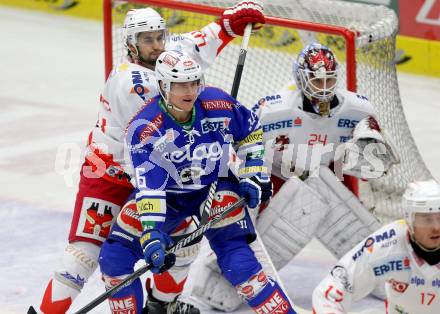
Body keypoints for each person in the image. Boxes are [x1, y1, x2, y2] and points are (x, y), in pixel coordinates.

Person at [32, 2, 265, 313]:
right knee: (84, 254)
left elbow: (201, 40)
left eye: (159, 37)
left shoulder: (171, 54)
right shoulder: (132, 85)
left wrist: (229, 24)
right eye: (147, 40)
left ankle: (161, 305)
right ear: (131, 43)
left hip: (157, 177)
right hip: (111, 174)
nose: (156, 45)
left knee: (184, 247)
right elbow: (154, 147)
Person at [192, 42, 399, 311]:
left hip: (331, 175)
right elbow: (245, 146)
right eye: (316, 78)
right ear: (302, 78)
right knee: (242, 228)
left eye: (329, 78)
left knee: (353, 225)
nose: (323, 86)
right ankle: (221, 279)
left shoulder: (358, 109)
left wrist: (366, 146)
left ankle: (391, 278)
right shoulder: (274, 109)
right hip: (277, 178)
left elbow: (375, 162)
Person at [98, 49, 298, 314]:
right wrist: (152, 234)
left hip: (213, 188)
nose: (190, 90)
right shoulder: (145, 128)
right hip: (168, 197)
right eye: (181, 84)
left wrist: (253, 174)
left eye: (194, 82)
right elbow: (151, 189)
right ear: (163, 85)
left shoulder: (217, 103)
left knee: (239, 263)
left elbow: (251, 134)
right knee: (114, 257)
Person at [312, 179, 440, 313]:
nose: (436, 227)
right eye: (426, 219)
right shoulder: (387, 243)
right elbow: (329, 292)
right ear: (409, 220)